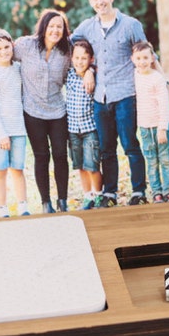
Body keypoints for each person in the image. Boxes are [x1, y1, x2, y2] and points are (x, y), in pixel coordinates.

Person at [0, 9, 94, 213]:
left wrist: (91, 72)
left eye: (59, 26)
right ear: (43, 27)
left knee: (60, 155)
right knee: (42, 156)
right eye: (51, 26)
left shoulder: (67, 50)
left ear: (64, 30)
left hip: (58, 111)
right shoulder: (26, 45)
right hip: (33, 112)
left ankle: (62, 201)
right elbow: (3, 53)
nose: (55, 30)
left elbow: (82, 62)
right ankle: (45, 203)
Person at [70, 0, 148, 207]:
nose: (99, 2)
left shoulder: (130, 25)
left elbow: (147, 54)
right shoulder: (86, 27)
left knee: (130, 144)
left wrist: (162, 83)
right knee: (106, 149)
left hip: (125, 94)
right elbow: (65, 46)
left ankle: (138, 191)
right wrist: (89, 70)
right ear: (89, 1)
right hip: (99, 99)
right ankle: (110, 193)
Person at [0, 29, 30, 218]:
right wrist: (1, 133)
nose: (3, 52)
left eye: (6, 47)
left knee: (17, 168)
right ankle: (2, 208)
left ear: (12, 46)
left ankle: (23, 206)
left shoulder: (18, 68)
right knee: (0, 169)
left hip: (18, 127)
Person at [132, 41, 169, 203]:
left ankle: (168, 190)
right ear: (132, 59)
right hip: (145, 127)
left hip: (161, 126)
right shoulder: (134, 76)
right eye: (138, 58)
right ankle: (156, 191)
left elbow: (164, 104)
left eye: (145, 57)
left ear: (152, 58)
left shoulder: (157, 78)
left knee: (165, 159)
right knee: (151, 161)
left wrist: (163, 128)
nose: (142, 61)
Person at [67, 39, 104, 209]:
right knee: (80, 165)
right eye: (76, 58)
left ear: (91, 59)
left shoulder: (95, 75)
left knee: (92, 165)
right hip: (73, 129)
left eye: (84, 58)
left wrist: (91, 70)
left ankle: (98, 195)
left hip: (90, 129)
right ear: (71, 58)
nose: (79, 61)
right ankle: (87, 196)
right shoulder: (69, 74)